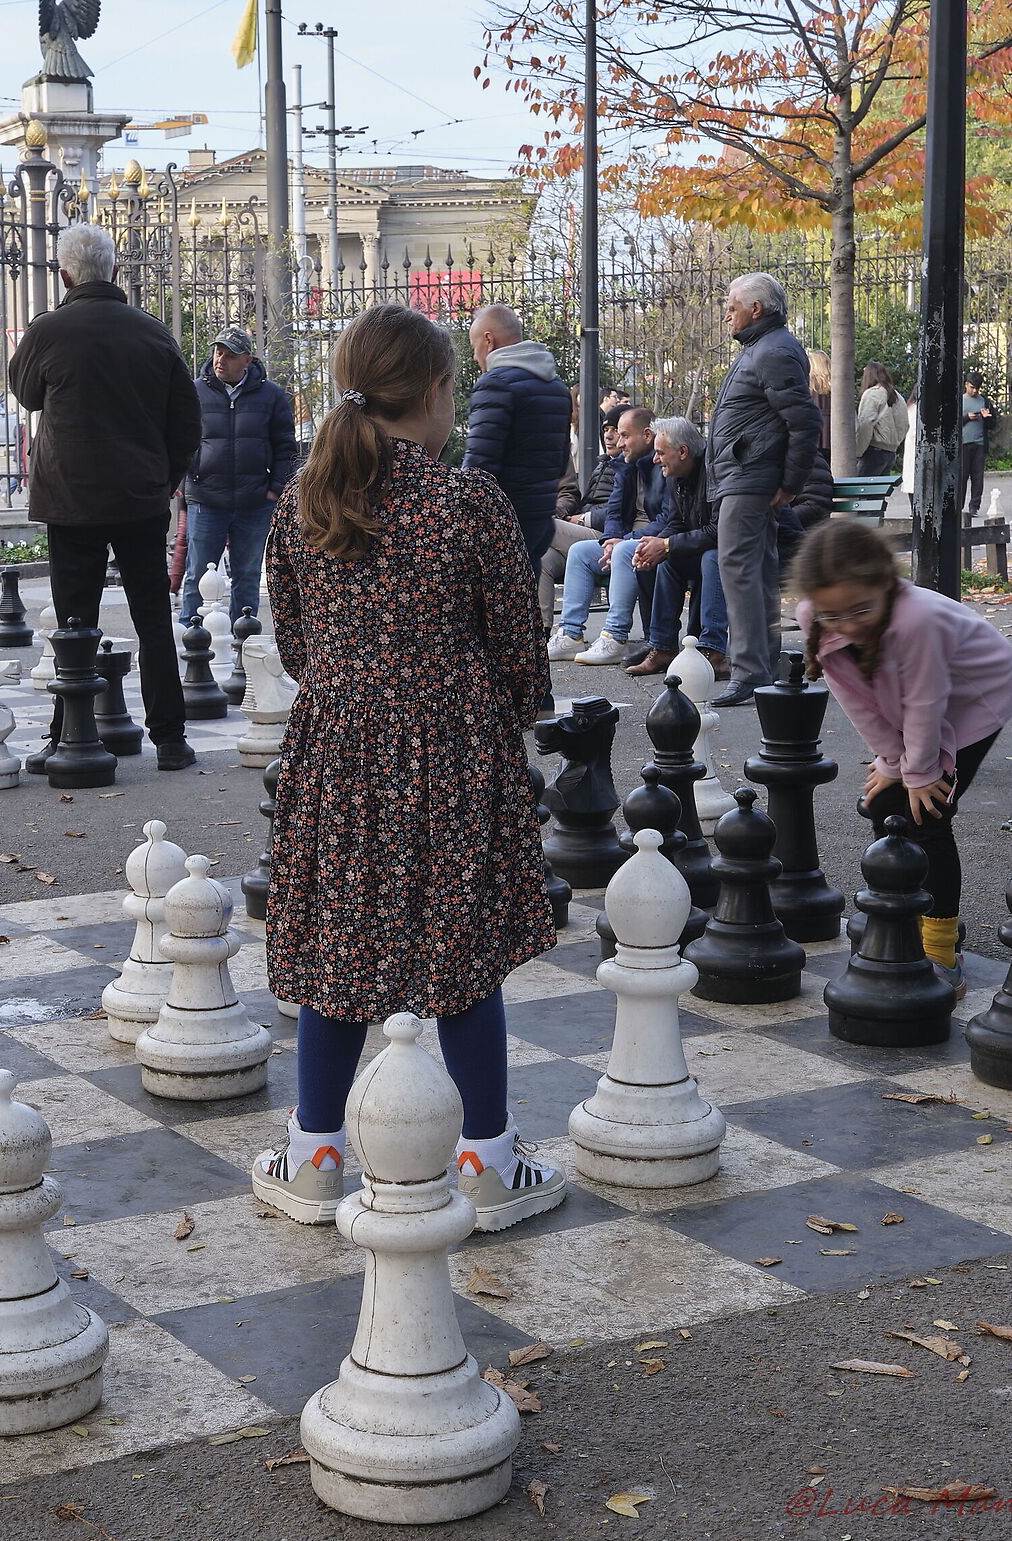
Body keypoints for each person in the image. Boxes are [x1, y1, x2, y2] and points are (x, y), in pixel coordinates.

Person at [250, 302, 563, 1233]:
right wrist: (493, 715)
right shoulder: (468, 503)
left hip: (339, 747)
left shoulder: (302, 505)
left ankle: (312, 1158)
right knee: (464, 957)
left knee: (340, 948)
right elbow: (519, 653)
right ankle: (489, 1164)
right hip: (457, 749)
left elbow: (300, 650)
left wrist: (361, 693)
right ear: (433, 392)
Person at [6, 222, 200, 770]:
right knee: (152, 621)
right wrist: (161, 482)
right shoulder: (153, 332)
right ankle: (171, 740)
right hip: (139, 499)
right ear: (115, 270)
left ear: (65, 275)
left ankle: (70, 737)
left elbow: (23, 393)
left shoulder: (49, 331)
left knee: (74, 625)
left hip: (70, 502)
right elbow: (187, 426)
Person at [792, 519, 1012, 987]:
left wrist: (917, 771)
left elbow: (925, 702)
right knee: (885, 804)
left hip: (976, 695)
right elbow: (857, 698)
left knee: (928, 815)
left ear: (885, 585)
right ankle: (901, 918)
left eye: (859, 611)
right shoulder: (815, 615)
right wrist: (891, 761)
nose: (848, 626)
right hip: (912, 694)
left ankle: (941, 949)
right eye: (834, 616)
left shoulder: (915, 620)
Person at [707, 271, 823, 706]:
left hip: (750, 479)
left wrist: (791, 484)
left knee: (740, 573)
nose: (726, 315)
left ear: (756, 309)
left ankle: (750, 671)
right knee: (752, 574)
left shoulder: (772, 350)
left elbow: (805, 421)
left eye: (731, 306)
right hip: (747, 476)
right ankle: (761, 665)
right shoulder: (764, 347)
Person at [178, 326, 296, 630]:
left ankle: (242, 634)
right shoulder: (195, 391)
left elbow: (285, 446)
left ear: (247, 360)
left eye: (230, 356)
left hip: (255, 501)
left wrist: (276, 488)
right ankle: (191, 633)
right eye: (218, 352)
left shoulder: (271, 396)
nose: (221, 360)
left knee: (247, 573)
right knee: (198, 574)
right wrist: (182, 482)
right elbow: (179, 439)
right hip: (206, 498)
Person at [462, 302, 573, 568]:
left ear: (488, 340)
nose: (476, 357)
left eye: (475, 347)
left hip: (502, 523)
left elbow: (479, 467)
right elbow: (560, 462)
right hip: (540, 519)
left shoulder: (495, 384)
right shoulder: (557, 388)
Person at [549, 407, 659, 664]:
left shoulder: (661, 461)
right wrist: (609, 539)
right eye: (612, 433)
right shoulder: (625, 464)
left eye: (623, 435)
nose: (618, 442)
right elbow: (614, 514)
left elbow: (670, 518)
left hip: (652, 540)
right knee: (580, 551)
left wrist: (623, 540)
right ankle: (570, 634)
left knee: (621, 550)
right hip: (625, 540)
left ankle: (615, 637)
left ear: (647, 435)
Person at [623, 415, 715, 676]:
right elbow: (676, 522)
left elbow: (719, 531)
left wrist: (666, 544)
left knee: (699, 557)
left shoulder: (714, 472)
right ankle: (662, 647)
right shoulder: (675, 475)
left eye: (661, 453)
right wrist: (655, 545)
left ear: (683, 452)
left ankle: (708, 647)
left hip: (724, 549)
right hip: (702, 545)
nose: (655, 459)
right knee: (659, 560)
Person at [853, 363, 909, 478]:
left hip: (874, 451)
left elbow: (865, 424)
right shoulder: (898, 397)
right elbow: (906, 425)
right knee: (878, 494)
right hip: (891, 453)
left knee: (860, 491)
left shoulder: (871, 394)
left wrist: (858, 451)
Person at [959, 378, 991, 518]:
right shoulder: (959, 400)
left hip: (979, 444)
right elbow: (951, 422)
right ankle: (958, 507)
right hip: (963, 444)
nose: (975, 391)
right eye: (972, 387)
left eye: (977, 388)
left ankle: (974, 507)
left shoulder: (984, 401)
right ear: (966, 385)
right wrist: (966, 418)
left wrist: (986, 417)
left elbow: (993, 423)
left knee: (978, 478)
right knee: (962, 477)